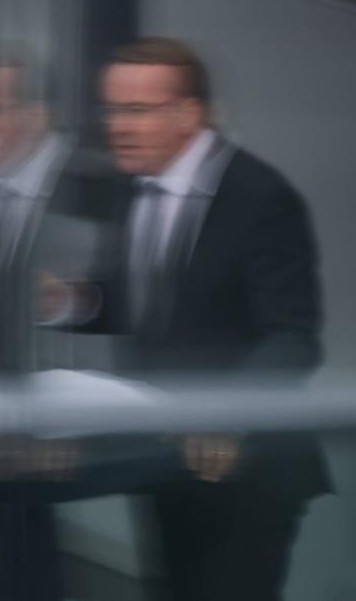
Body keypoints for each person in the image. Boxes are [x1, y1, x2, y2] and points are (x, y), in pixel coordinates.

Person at [70, 36, 329, 600]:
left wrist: (227, 416)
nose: (117, 125)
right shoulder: (132, 189)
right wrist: (71, 301)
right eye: (111, 109)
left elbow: (293, 337)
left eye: (135, 110)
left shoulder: (260, 196)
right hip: (164, 458)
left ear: (188, 114)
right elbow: (143, 304)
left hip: (248, 472)